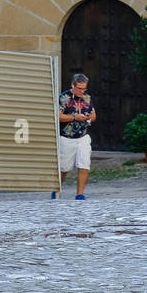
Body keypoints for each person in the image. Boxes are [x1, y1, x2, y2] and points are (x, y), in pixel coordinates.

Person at [56, 72, 96, 200]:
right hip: (67, 137)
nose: (82, 91)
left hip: (83, 136)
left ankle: (80, 194)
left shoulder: (87, 98)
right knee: (64, 168)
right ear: (72, 85)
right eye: (79, 88)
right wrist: (74, 117)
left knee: (84, 164)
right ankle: (56, 190)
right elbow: (58, 116)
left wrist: (89, 117)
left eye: (84, 88)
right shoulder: (64, 98)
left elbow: (94, 115)